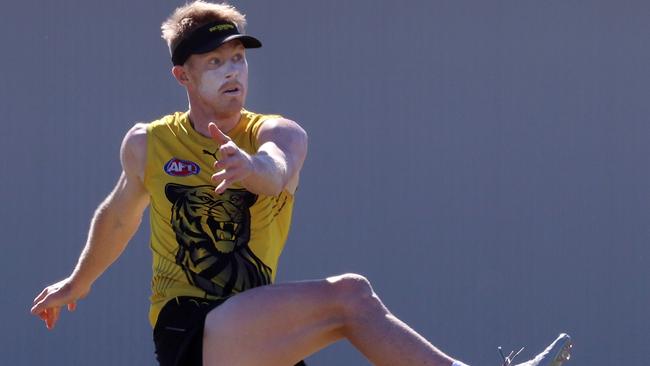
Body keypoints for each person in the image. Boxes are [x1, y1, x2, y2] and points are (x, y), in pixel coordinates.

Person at [30, 2, 573, 366]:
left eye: (238, 58)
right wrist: (79, 283)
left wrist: (252, 170)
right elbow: (122, 214)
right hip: (189, 329)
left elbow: (277, 170)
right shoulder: (149, 143)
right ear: (183, 76)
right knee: (351, 297)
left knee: (350, 304)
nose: (232, 72)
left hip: (256, 326)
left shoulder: (276, 130)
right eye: (215, 61)